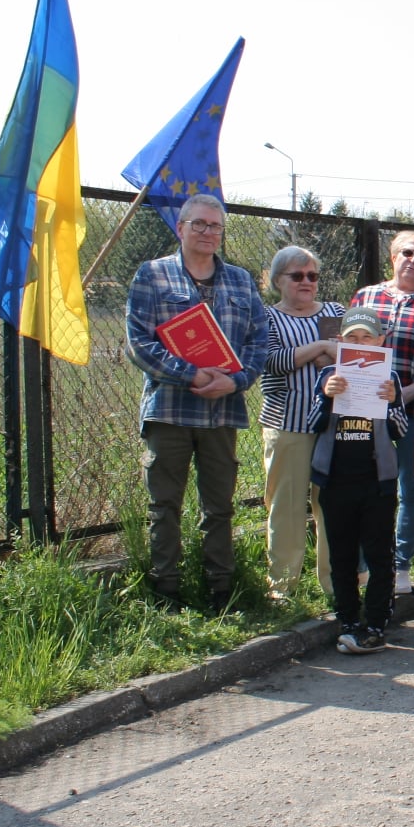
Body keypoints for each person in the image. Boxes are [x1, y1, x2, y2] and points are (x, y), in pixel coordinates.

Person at [125, 194, 269, 613]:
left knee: (219, 507)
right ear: (181, 228)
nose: (208, 232)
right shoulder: (152, 275)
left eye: (216, 226)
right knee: (164, 506)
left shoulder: (241, 281)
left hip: (223, 411)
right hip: (169, 409)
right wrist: (192, 374)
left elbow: (258, 343)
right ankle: (166, 592)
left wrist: (236, 380)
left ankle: (221, 590)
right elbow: (139, 342)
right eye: (199, 225)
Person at [350, 231, 414, 595]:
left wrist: (404, 394)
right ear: (393, 256)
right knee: (367, 487)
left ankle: (400, 564)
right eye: (407, 253)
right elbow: (349, 346)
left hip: (413, 407)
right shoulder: (366, 297)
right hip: (364, 410)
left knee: (411, 490)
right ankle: (362, 564)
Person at [309, 308, 409, 654]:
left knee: (381, 554)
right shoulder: (327, 374)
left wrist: (394, 404)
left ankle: (377, 623)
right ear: (340, 342)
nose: (360, 344)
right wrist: (326, 396)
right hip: (335, 480)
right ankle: (348, 620)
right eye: (352, 338)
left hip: (376, 481)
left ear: (381, 342)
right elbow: (312, 423)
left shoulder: (390, 378)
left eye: (367, 338)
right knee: (342, 554)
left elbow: (400, 431)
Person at [259, 245, 344, 600]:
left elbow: (348, 356)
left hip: (332, 424)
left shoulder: (335, 311)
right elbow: (273, 361)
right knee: (286, 506)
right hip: (287, 423)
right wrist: (322, 347)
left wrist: (310, 353)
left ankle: (334, 584)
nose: (306, 282)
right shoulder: (267, 317)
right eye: (297, 276)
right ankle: (282, 587)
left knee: (331, 506)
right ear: (279, 280)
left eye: (312, 275)